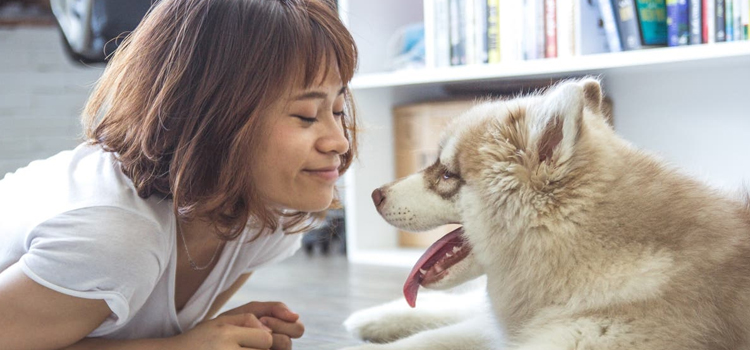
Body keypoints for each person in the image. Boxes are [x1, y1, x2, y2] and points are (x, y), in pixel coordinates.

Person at [0, 0, 358, 349]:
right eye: (307, 115)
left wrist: (218, 334)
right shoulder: (115, 238)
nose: (339, 142)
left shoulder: (267, 216)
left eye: (339, 109)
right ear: (212, 118)